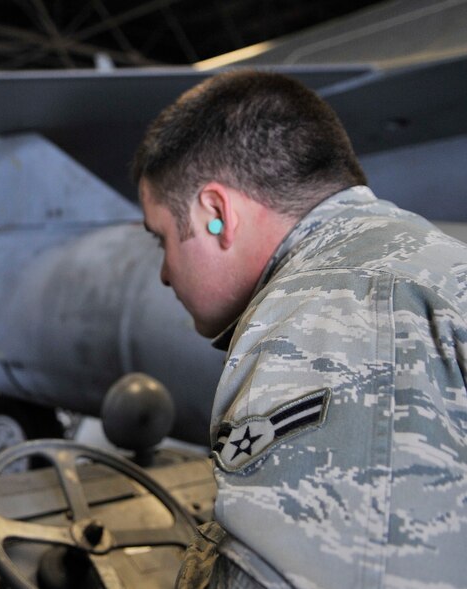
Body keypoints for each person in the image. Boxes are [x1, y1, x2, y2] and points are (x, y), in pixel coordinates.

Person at [133, 70, 467, 587]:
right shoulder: (429, 258)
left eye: (162, 239)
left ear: (216, 213)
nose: (164, 273)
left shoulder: (328, 314)